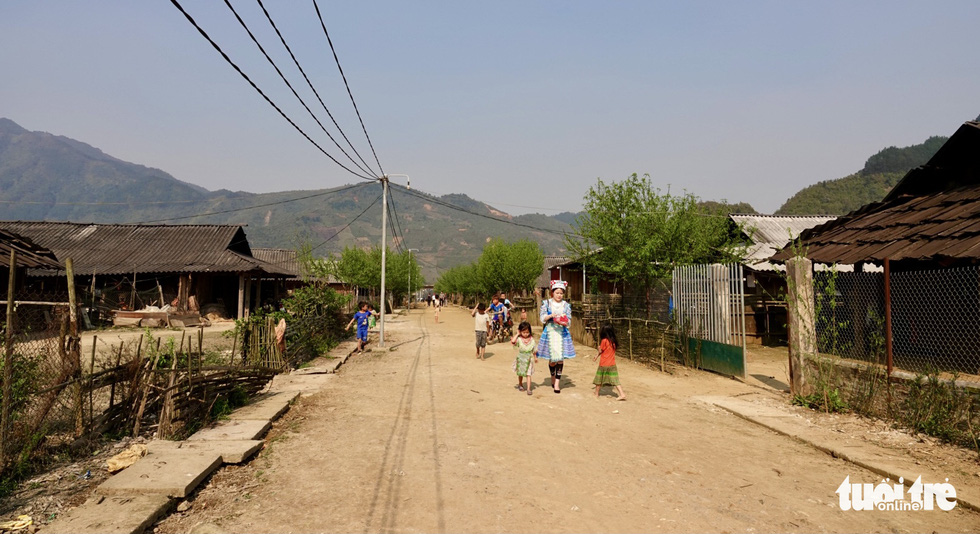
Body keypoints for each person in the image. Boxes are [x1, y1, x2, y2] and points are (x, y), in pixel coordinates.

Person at [537, 280, 576, 393]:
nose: (559, 295)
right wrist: (550, 316)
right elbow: (542, 317)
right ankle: (552, 377)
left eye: (561, 293)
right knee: (552, 360)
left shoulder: (566, 305)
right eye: (557, 293)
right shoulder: (547, 304)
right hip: (550, 332)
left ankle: (557, 384)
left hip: (562, 333)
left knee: (560, 359)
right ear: (552, 293)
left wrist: (564, 322)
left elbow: (569, 320)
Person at [593, 324, 627, 400]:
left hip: (604, 363)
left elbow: (601, 351)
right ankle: (622, 394)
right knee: (615, 380)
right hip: (612, 364)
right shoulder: (613, 341)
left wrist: (598, 350)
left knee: (599, 379)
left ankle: (596, 393)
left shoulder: (604, 341)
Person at [510, 321, 537, 396]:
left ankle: (528, 388)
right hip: (521, 358)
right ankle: (520, 384)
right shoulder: (519, 339)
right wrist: (517, 334)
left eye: (527, 332)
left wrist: (535, 357)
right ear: (520, 331)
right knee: (520, 374)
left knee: (529, 374)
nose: (525, 334)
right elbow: (513, 341)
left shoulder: (532, 340)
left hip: (529, 359)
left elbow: (534, 350)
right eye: (524, 332)